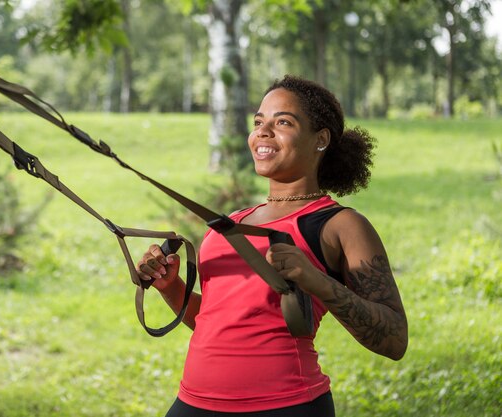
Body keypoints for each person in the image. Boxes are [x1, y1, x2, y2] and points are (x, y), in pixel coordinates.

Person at [136, 75, 408, 417]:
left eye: (283, 122)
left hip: (287, 405)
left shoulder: (340, 225)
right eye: (258, 122)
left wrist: (315, 280)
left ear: (320, 140)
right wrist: (171, 287)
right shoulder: (228, 224)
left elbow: (395, 340)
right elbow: (216, 323)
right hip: (193, 403)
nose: (263, 132)